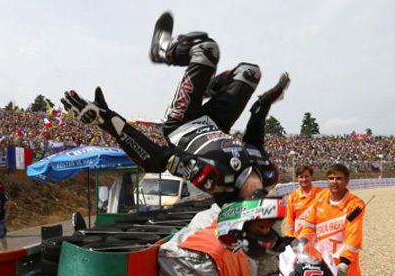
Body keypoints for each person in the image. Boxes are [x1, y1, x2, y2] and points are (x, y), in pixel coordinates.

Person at [62, 11, 290, 206]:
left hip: (183, 125)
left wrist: (107, 120)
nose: (265, 197)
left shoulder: (213, 177)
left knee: (207, 49)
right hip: (215, 123)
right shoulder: (268, 173)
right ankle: (206, 88)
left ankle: (162, 49)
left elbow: (157, 159)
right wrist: (265, 102)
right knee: (250, 72)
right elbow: (254, 141)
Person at [283, 165, 324, 237]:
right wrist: (290, 238)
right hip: (300, 239)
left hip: (319, 238)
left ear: (311, 177)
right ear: (297, 179)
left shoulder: (322, 193)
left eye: (306, 176)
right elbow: (290, 221)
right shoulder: (293, 196)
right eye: (301, 177)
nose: (304, 179)